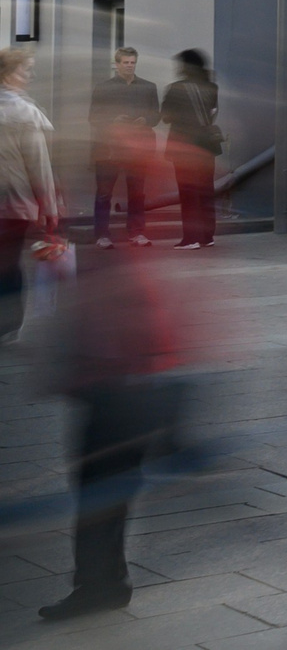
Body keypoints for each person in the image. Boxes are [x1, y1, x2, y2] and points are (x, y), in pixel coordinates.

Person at [37, 193, 192, 621]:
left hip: (119, 388)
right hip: (123, 383)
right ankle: (105, 581)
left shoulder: (116, 255)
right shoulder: (119, 253)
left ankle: (100, 585)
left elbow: (133, 320)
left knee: (97, 489)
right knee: (103, 489)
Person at [0, 47, 61, 342]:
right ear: (8, 75)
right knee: (9, 264)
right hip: (12, 204)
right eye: (26, 70)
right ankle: (9, 325)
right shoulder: (24, 114)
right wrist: (49, 207)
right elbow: (39, 166)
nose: (30, 76)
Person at [88, 47, 159, 248]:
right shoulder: (103, 87)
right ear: (117, 64)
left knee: (137, 192)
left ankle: (136, 233)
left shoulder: (148, 87)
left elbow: (156, 115)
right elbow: (93, 117)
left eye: (132, 62)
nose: (129, 66)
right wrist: (113, 120)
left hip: (137, 148)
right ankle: (102, 235)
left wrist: (145, 119)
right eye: (126, 62)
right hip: (109, 148)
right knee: (104, 193)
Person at [159, 50, 221, 250]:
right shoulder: (212, 87)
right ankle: (206, 236)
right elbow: (212, 113)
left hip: (185, 148)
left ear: (187, 66)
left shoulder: (176, 88)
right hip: (207, 147)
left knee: (188, 193)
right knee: (205, 192)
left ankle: (190, 238)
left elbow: (166, 116)